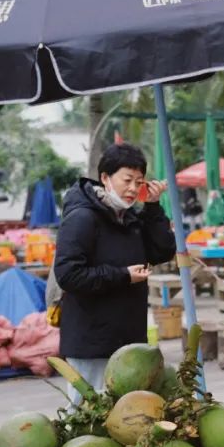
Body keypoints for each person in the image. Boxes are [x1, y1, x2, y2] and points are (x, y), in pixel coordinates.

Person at [53, 142, 177, 402]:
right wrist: (122, 275)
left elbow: (162, 252)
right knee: (89, 421)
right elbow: (68, 274)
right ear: (105, 178)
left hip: (129, 343)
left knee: (127, 419)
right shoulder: (82, 217)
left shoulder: (129, 217)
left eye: (139, 181)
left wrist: (153, 207)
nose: (133, 189)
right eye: (127, 180)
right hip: (92, 343)